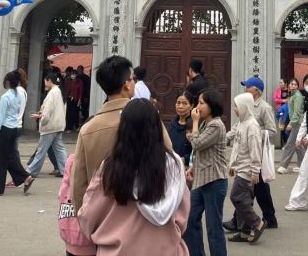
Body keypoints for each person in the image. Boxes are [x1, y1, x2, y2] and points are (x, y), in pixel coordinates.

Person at [78, 99, 189, 255]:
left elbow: (88, 215)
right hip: (167, 249)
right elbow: (182, 216)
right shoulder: (174, 166)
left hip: (118, 250)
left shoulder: (111, 167)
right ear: (158, 127)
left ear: (123, 128)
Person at [72, 57, 138, 212]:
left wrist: (83, 217)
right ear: (126, 85)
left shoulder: (88, 129)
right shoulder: (149, 120)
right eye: (132, 78)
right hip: (141, 220)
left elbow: (79, 183)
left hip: (100, 219)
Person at [223, 76, 278, 230]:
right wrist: (225, 138)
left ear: (256, 90)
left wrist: (253, 133)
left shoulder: (264, 108)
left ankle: (265, 218)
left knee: (253, 190)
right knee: (249, 191)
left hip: (255, 153)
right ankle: (242, 222)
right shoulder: (245, 105)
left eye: (248, 87)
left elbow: (272, 131)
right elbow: (237, 127)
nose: (246, 89)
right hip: (246, 153)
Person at [184, 89, 228, 256]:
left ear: (212, 105)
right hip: (200, 180)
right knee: (190, 220)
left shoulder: (216, 124)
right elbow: (202, 151)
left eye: (202, 103)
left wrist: (194, 123)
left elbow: (197, 144)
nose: (198, 107)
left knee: (213, 227)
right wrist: (193, 167)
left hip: (214, 181)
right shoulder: (205, 124)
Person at [0, 70, 34, 196]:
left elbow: (0, 118)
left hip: (5, 129)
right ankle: (25, 177)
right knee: (9, 157)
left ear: (8, 82)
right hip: (15, 128)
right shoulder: (21, 93)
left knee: (0, 160)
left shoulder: (6, 97)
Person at [225, 92, 266, 244]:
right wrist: (232, 165)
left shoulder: (252, 126)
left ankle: (258, 223)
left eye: (236, 106)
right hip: (240, 168)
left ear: (244, 107)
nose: (235, 109)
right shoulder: (241, 123)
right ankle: (244, 232)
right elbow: (235, 143)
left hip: (247, 170)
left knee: (237, 197)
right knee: (245, 201)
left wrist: (255, 170)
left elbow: (255, 150)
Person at [285, 74, 308, 211]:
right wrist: (299, 138)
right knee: (306, 172)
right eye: (306, 83)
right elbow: (306, 120)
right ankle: (297, 201)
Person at [26, 72, 68, 178]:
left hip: (50, 126)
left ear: (49, 81)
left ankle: (32, 170)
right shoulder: (59, 91)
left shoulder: (52, 93)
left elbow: (48, 111)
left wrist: (42, 119)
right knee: (59, 149)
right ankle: (66, 170)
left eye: (45, 80)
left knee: (42, 149)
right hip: (59, 124)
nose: (45, 83)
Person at [277, 77, 305, 174]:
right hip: (297, 123)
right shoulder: (293, 95)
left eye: (295, 84)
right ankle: (302, 165)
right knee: (298, 145)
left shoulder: (297, 96)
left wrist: (291, 123)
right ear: (288, 85)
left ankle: (283, 166)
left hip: (297, 123)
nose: (293, 86)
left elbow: (297, 112)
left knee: (289, 144)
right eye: (291, 84)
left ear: (297, 86)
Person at [168, 92, 194, 164]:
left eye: (185, 103)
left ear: (191, 106)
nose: (180, 106)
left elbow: (197, 151)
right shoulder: (172, 124)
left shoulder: (194, 125)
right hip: (171, 165)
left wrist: (184, 159)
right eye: (178, 103)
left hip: (187, 168)